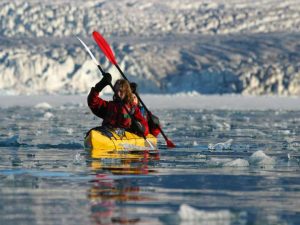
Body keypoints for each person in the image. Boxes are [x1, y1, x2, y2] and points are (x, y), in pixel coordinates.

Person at [87, 73, 149, 137]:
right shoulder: (109, 106)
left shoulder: (133, 109)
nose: (118, 94)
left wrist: (141, 128)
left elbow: (145, 128)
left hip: (124, 135)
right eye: (116, 91)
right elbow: (92, 103)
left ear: (126, 92)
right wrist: (98, 87)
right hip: (107, 132)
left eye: (121, 91)